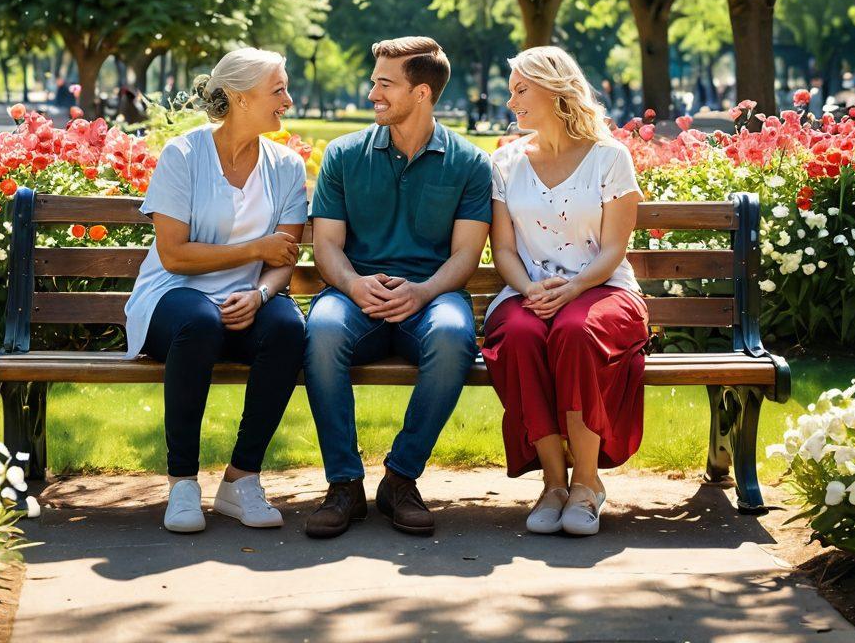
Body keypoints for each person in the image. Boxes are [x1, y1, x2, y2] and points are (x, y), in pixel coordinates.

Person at [304, 37, 492, 538]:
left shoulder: (470, 163)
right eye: (374, 83)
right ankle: (344, 484)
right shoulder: (343, 155)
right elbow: (326, 246)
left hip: (431, 298)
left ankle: (400, 479)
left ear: (422, 93)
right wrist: (352, 283)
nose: (373, 95)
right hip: (353, 296)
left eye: (385, 84)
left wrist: (423, 292)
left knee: (454, 336)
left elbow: (466, 256)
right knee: (320, 331)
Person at [123, 48, 309, 534]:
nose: (288, 99)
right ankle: (182, 481)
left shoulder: (287, 166)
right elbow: (175, 255)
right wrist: (256, 250)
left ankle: (241, 479)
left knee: (289, 327)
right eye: (278, 90)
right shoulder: (183, 155)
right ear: (241, 97)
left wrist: (262, 296)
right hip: (174, 297)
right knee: (198, 320)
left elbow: (282, 259)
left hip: (248, 301)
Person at [482, 45, 648, 538]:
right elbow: (504, 250)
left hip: (602, 289)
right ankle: (553, 484)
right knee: (518, 335)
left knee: (576, 330)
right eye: (511, 91)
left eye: (520, 90)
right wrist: (532, 288)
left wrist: (574, 286)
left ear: (555, 91)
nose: (511, 102)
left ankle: (587, 484)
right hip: (528, 291)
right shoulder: (506, 162)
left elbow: (614, 248)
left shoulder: (609, 158)